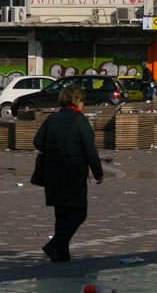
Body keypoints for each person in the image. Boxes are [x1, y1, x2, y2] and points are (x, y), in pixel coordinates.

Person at [33, 85, 104, 263]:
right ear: (77, 100)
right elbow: (90, 150)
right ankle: (55, 244)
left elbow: (38, 141)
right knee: (79, 212)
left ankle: (62, 255)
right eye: (82, 101)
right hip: (73, 169)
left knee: (61, 213)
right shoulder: (80, 121)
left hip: (52, 170)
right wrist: (98, 173)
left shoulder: (53, 118)